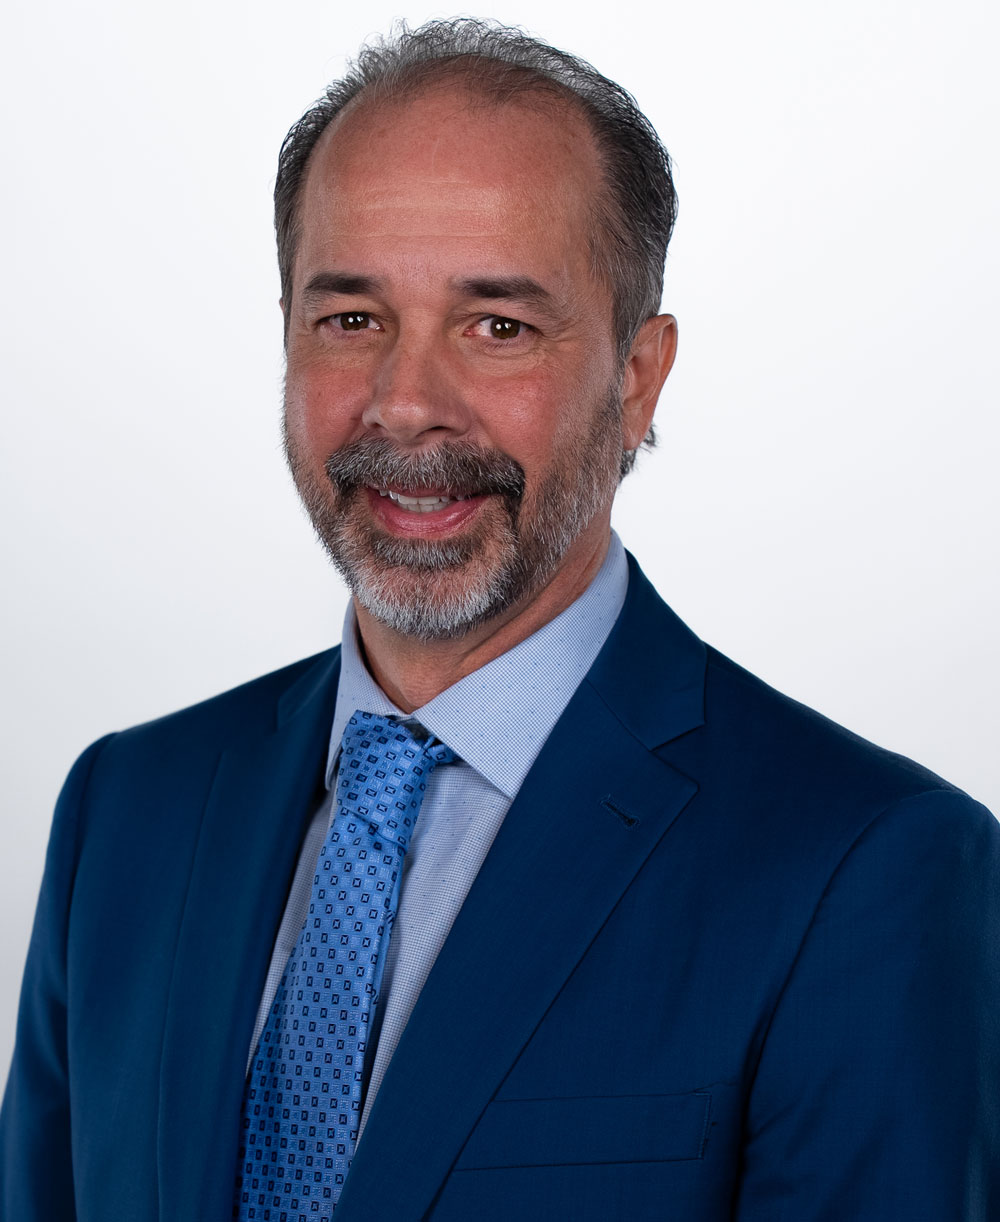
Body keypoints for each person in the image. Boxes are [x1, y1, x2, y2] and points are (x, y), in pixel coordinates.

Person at [2, 17, 997, 1221]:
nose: (405, 403)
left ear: (637, 378)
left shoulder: (867, 871)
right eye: (351, 318)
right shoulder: (125, 814)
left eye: (498, 326)